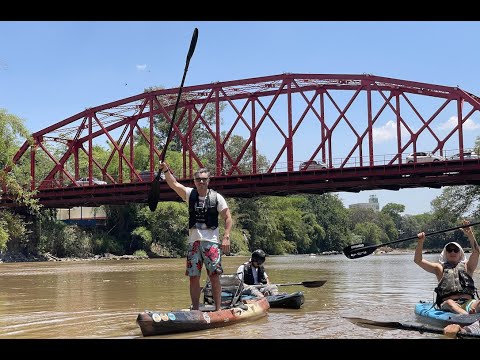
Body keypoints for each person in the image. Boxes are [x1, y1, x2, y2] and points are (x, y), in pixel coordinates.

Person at [158, 161, 232, 311]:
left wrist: (226, 236)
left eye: (204, 179)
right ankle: (196, 309)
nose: (201, 182)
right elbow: (174, 184)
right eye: (198, 179)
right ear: (195, 182)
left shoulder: (217, 198)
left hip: (211, 243)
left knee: (214, 276)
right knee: (193, 277)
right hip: (194, 243)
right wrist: (166, 169)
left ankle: (218, 310)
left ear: (208, 180)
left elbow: (228, 217)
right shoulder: (189, 194)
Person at [414, 220, 480, 314]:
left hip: (468, 303)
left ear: (460, 252)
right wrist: (420, 242)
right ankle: (468, 317)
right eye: (449, 250)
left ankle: (469, 314)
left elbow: (476, 252)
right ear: (446, 253)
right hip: (448, 304)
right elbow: (418, 260)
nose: (452, 252)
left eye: (455, 250)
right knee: (450, 303)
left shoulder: (468, 266)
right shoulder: (439, 268)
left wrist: (470, 234)